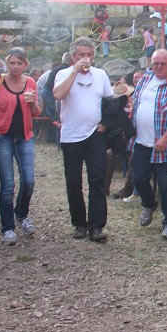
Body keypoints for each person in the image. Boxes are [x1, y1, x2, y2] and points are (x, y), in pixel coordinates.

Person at [53, 38, 114, 243]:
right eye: (81, 55)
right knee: (73, 181)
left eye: (89, 55)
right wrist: (74, 72)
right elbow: (58, 95)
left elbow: (110, 101)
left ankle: (96, 226)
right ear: (73, 57)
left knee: (97, 179)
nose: (86, 59)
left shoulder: (101, 75)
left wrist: (105, 123)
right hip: (71, 134)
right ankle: (79, 223)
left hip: (95, 134)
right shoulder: (63, 74)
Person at [0, 47, 41, 246]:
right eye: (12, 63)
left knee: (29, 180)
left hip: (24, 136)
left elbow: (35, 112)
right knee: (7, 184)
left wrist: (32, 104)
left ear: (25, 64)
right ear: (7, 63)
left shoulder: (30, 82)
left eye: (19, 63)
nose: (15, 67)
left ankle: (21, 214)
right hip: (1, 136)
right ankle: (7, 228)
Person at [131, 49, 167, 240]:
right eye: (155, 63)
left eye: (163, 64)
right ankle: (149, 203)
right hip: (141, 140)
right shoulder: (146, 79)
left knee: (166, 185)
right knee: (138, 178)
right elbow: (136, 101)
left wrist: (165, 137)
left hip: (166, 144)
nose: (158, 67)